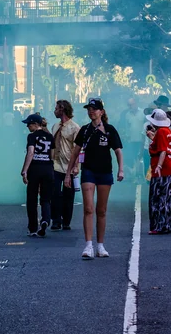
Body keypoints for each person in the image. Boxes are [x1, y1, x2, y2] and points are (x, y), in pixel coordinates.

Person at [66, 98, 124, 259]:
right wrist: (68, 174)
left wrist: (121, 169)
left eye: (94, 109)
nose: (91, 111)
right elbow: (75, 153)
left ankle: (100, 245)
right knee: (88, 208)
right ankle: (88, 245)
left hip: (105, 172)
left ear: (102, 112)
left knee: (101, 210)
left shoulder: (110, 129)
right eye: (89, 109)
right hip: (88, 172)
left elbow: (118, 150)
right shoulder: (84, 130)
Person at [20, 113, 54, 237]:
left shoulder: (31, 136)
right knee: (45, 198)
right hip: (48, 169)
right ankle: (45, 219)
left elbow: (30, 153)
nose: (27, 127)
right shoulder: (50, 136)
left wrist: (24, 170)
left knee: (32, 199)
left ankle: (33, 227)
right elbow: (53, 155)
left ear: (35, 124)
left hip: (35, 169)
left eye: (29, 124)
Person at [146, 108, 171, 235]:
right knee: (166, 197)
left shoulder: (162, 132)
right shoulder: (167, 131)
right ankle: (165, 224)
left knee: (157, 197)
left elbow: (163, 150)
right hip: (168, 165)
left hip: (162, 168)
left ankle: (159, 225)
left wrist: (159, 165)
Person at [51, 99, 80, 231]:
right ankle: (56, 220)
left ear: (62, 109)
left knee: (69, 195)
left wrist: (76, 166)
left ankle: (66, 221)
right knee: (55, 193)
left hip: (69, 165)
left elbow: (78, 149)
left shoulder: (74, 128)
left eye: (56, 108)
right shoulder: (55, 126)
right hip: (55, 165)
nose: (54, 111)